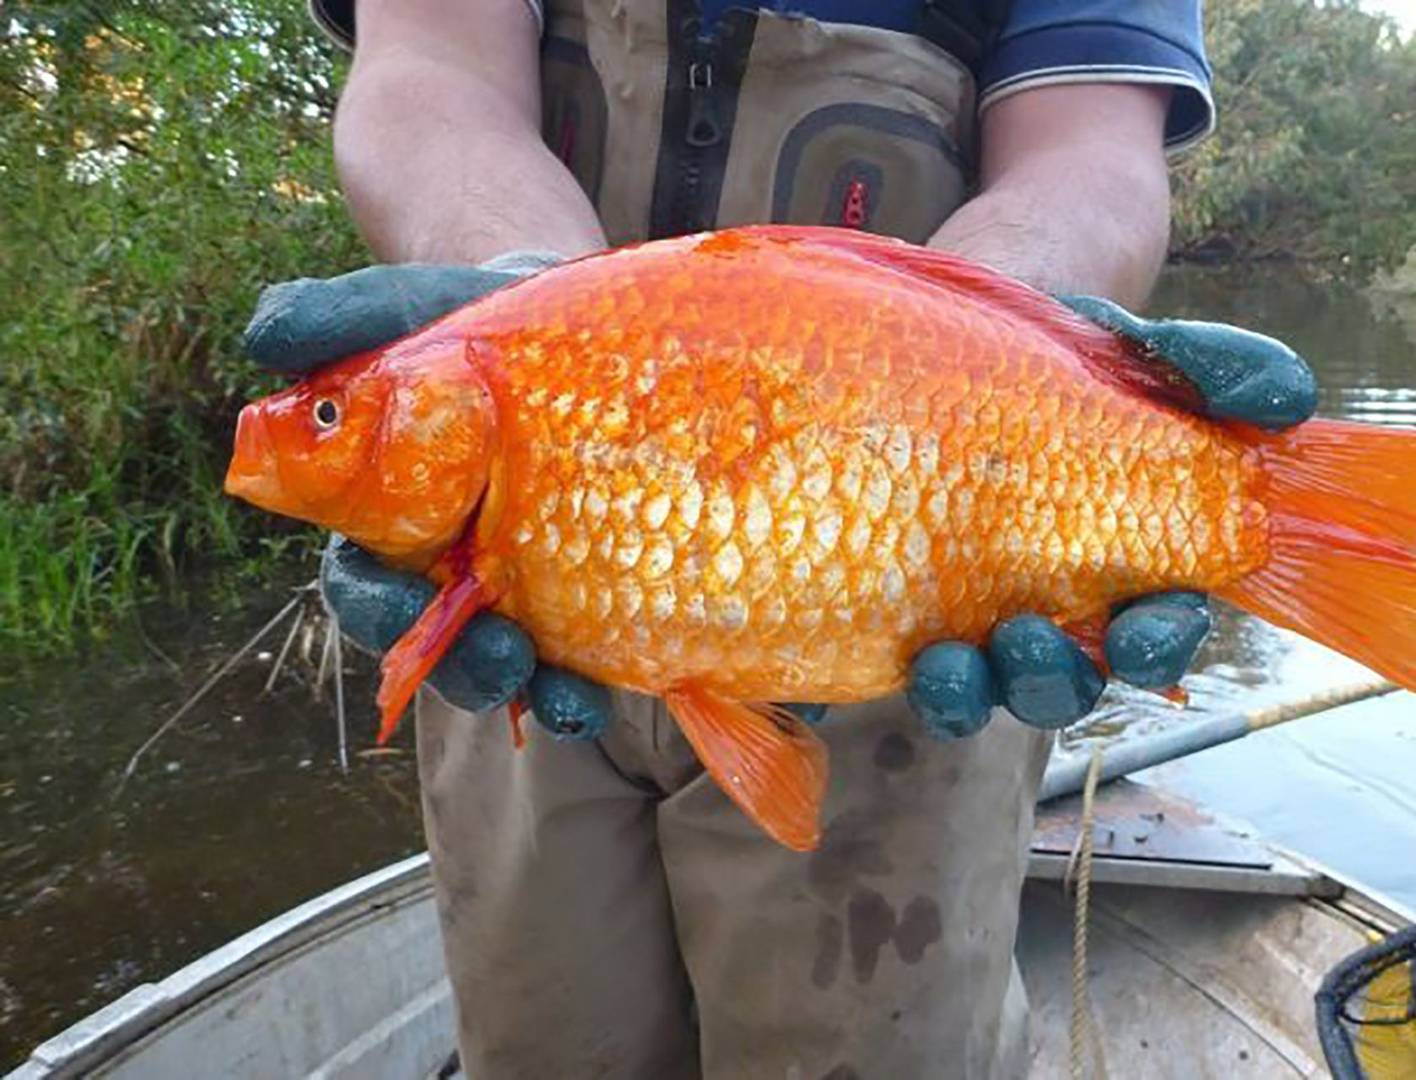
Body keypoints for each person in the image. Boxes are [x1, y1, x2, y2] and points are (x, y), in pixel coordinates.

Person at [245, 2, 1315, 1075]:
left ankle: (1271, 516)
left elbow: (1088, 152)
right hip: (519, 665)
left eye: (333, 418)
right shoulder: (491, 404)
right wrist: (517, 280)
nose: (296, 434)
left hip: (908, 605)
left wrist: (999, 348)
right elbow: (431, 66)